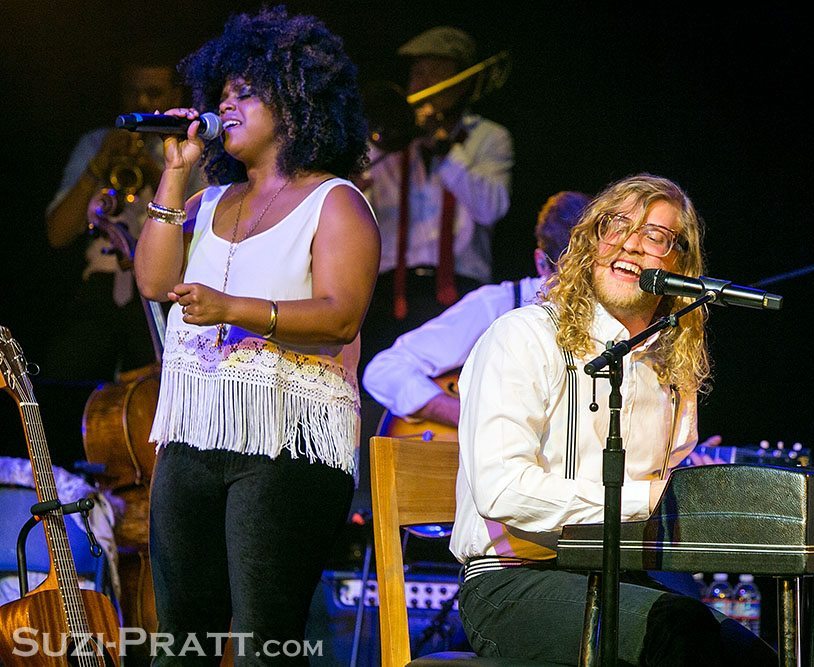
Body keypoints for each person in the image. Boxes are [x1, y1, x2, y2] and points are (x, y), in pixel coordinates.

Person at [133, 7, 379, 664]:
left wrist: (232, 307)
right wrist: (176, 171)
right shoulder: (210, 200)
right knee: (181, 639)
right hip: (193, 434)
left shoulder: (337, 202)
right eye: (221, 94)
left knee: (264, 639)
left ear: (295, 102)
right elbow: (154, 282)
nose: (225, 105)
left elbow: (339, 315)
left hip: (284, 439)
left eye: (244, 92)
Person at [451, 174, 777, 665]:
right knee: (679, 634)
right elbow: (501, 490)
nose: (630, 243)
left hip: (623, 572)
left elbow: (666, 489)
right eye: (616, 225)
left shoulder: (671, 368)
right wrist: (644, 499)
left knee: (752, 655)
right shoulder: (523, 337)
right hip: (513, 580)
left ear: (680, 264)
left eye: (655, 236)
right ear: (591, 242)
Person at [362, 190, 589, 428]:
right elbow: (385, 370)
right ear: (540, 262)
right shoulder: (497, 304)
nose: (579, 288)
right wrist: (473, 420)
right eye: (568, 273)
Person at [360, 25, 514, 368]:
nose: (421, 81)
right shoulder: (390, 136)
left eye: (433, 72)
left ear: (461, 82)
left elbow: (491, 208)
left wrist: (444, 151)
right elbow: (358, 193)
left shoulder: (488, 137)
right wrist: (391, 138)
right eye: (417, 72)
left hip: (460, 290)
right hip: (390, 289)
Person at [44, 54, 202, 381]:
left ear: (176, 97)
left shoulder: (193, 151)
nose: (142, 102)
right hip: (101, 289)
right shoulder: (94, 143)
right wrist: (98, 166)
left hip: (163, 294)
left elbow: (201, 228)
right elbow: (57, 233)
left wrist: (152, 168)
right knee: (62, 377)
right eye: (133, 93)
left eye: (154, 94)